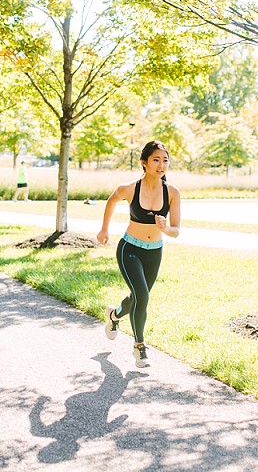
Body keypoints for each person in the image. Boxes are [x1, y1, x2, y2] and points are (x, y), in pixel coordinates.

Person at [97, 140, 181, 368]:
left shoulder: (172, 192)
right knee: (142, 296)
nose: (161, 165)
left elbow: (176, 231)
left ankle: (114, 315)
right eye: (156, 160)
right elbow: (111, 200)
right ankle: (139, 347)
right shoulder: (130, 188)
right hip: (129, 249)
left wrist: (165, 228)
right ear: (144, 163)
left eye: (165, 160)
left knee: (137, 297)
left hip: (154, 252)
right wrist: (104, 229)